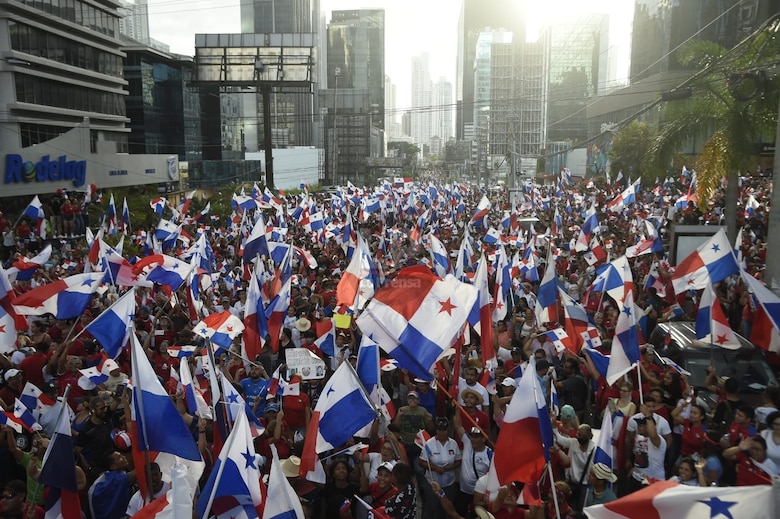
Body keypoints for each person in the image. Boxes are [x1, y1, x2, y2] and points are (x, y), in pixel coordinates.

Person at [419, 417, 462, 519]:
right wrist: (435, 468)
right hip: (432, 484)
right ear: (436, 430)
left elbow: (458, 461)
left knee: (447, 509)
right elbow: (422, 461)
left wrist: (448, 468)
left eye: (444, 430)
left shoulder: (453, 443)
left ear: (448, 430)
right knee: (432, 509)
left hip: (449, 484)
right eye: (439, 430)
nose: (442, 432)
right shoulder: (429, 443)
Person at [88, 451, 135, 519]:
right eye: (119, 457)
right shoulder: (115, 480)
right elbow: (137, 473)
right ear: (113, 466)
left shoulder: (105, 478)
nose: (124, 457)